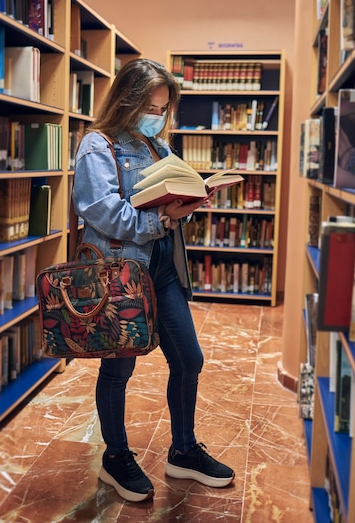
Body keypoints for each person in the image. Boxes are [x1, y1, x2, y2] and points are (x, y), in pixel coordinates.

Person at [73, 58, 235, 502]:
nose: (158, 117)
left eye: (164, 110)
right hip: (122, 276)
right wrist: (162, 219)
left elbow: (166, 197)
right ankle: (116, 457)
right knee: (118, 367)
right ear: (127, 101)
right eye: (152, 108)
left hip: (163, 272)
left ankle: (183, 451)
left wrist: (192, 197)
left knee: (189, 360)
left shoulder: (156, 147)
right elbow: (102, 211)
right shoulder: (96, 145)